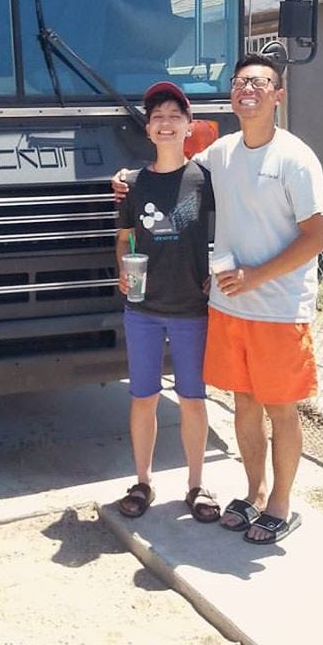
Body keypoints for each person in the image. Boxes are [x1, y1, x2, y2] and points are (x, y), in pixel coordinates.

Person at [113, 55, 323, 545]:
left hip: (278, 307)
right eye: (239, 83)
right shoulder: (222, 155)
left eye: (259, 83)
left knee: (280, 408)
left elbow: (318, 236)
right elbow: (169, 172)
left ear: (278, 94)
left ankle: (280, 503)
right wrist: (126, 177)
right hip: (230, 309)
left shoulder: (296, 158)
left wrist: (256, 276)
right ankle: (253, 495)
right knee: (245, 405)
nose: (247, 90)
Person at [114, 82, 218, 523]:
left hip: (193, 309)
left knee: (192, 398)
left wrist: (217, 274)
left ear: (189, 126)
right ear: (149, 130)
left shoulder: (206, 180)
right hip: (143, 310)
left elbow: (228, 233)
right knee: (144, 397)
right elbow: (124, 238)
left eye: (176, 115)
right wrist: (123, 269)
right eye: (158, 116)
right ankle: (143, 481)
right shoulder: (133, 185)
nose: (167, 122)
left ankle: (197, 485)